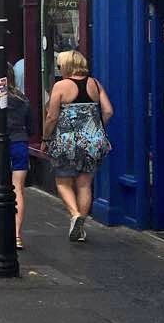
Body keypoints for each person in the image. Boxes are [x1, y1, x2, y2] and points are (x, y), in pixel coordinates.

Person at [43, 50, 113, 243]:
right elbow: (108, 111)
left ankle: (75, 215)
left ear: (67, 65)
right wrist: (96, 129)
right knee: (84, 184)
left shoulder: (61, 86)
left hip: (67, 142)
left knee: (63, 182)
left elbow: (52, 116)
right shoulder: (95, 84)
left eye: (60, 66)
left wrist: (45, 138)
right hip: (92, 142)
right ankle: (80, 229)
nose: (59, 69)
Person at [0, 65, 32, 249]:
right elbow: (30, 125)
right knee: (18, 187)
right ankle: (17, 234)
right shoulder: (22, 99)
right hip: (19, 143)